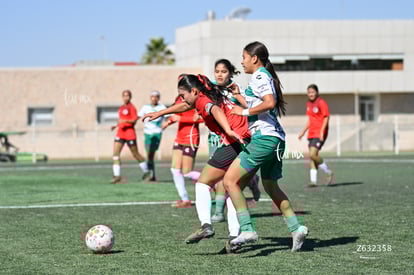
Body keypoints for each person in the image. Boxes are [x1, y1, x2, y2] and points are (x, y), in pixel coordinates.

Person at [142, 74, 249, 245]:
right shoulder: (203, 96)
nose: (182, 99)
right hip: (245, 139)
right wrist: (161, 112)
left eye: (183, 94)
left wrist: (228, 131)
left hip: (235, 140)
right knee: (231, 187)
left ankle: (206, 225)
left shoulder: (203, 100)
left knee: (202, 183)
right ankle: (234, 237)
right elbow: (184, 105)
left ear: (194, 91)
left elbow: (215, 110)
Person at [226, 41, 308, 252]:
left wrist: (242, 113)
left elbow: (269, 102)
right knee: (271, 186)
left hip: (264, 139)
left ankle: (246, 229)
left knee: (229, 181)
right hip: (276, 139)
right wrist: (239, 95)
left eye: (244, 57)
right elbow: (258, 104)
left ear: (254, 58)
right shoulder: (263, 77)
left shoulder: (260, 75)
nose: (242, 62)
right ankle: (296, 228)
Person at [209, 59, 260, 224]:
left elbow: (249, 109)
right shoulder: (211, 90)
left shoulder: (236, 91)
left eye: (223, 71)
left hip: (235, 139)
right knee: (217, 176)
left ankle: (218, 212)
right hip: (215, 138)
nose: (219, 74)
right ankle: (252, 181)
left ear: (230, 73)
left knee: (225, 177)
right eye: (217, 71)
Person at [163, 95, 203, 208]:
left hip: (191, 138)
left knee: (186, 172)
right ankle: (185, 199)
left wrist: (182, 119)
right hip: (179, 138)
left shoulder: (197, 99)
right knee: (175, 170)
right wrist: (168, 122)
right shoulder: (179, 99)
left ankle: (213, 181)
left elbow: (202, 118)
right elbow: (176, 115)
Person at [110, 90, 149, 184]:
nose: (125, 97)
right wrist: (115, 125)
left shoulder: (132, 108)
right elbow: (120, 120)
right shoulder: (121, 108)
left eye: (127, 96)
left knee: (135, 154)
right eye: (124, 96)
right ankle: (117, 176)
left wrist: (125, 121)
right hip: (120, 133)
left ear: (130, 97)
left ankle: (147, 172)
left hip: (129, 134)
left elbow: (134, 121)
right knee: (115, 154)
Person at [298, 84, 334, 187]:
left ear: (317, 92)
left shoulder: (321, 102)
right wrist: (303, 132)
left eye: (312, 92)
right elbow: (310, 120)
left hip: (319, 133)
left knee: (313, 154)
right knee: (312, 157)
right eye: (309, 92)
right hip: (312, 133)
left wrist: (322, 132)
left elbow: (326, 118)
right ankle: (313, 181)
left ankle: (328, 172)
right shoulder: (309, 104)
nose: (311, 94)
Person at [137, 91, 167, 181]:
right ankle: (151, 175)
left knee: (151, 154)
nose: (154, 98)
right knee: (149, 155)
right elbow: (137, 117)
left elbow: (170, 116)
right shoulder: (145, 108)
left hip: (157, 133)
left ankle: (150, 174)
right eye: (152, 97)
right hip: (147, 134)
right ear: (150, 98)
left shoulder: (162, 107)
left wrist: (166, 123)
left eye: (156, 97)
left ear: (159, 98)